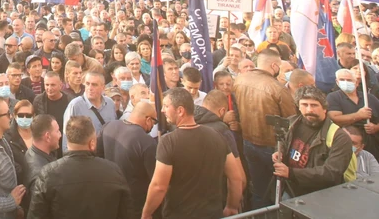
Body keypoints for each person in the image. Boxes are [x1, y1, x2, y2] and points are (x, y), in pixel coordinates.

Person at [142, 88, 242, 219]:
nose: (162, 110)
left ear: (180, 110)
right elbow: (236, 178)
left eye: (166, 106)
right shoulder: (218, 136)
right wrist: (232, 207)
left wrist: (146, 213)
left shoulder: (168, 142)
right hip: (213, 214)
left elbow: (159, 186)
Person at [28, 115, 132, 219]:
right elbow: (127, 213)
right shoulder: (114, 172)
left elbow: (36, 215)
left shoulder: (48, 174)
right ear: (92, 143)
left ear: (68, 140)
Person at [232, 49, 296, 210]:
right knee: (277, 190)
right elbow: (291, 120)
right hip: (272, 147)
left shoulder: (240, 79)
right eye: (279, 66)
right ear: (274, 65)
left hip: (248, 141)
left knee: (259, 188)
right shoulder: (277, 88)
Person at [272, 85, 355, 198]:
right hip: (290, 189)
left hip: (320, 196)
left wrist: (291, 173)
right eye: (304, 105)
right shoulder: (291, 123)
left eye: (314, 105)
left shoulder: (339, 137)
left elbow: (331, 173)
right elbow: (283, 142)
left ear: (324, 108)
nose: (309, 110)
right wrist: (279, 151)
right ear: (298, 106)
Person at [99, 101, 157, 214]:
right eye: (154, 122)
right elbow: (154, 177)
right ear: (148, 119)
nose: (153, 126)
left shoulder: (107, 127)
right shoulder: (146, 141)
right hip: (134, 204)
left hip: (110, 198)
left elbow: (97, 158)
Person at [62, 71, 116, 151]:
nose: (90, 88)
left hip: (107, 153)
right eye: (87, 84)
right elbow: (66, 137)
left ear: (103, 87)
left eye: (94, 85)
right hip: (85, 155)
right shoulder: (75, 105)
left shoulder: (110, 103)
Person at [23, 114, 60, 198]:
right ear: (47, 136)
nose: (60, 135)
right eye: (57, 131)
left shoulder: (32, 152)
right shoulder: (41, 176)